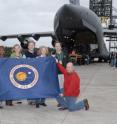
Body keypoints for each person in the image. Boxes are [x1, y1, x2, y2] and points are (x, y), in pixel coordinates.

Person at [24, 40, 37, 105]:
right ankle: (29, 100)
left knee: (34, 86)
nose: (31, 46)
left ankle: (34, 99)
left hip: (35, 73)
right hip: (27, 73)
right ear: (28, 46)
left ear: (34, 46)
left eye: (32, 45)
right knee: (29, 86)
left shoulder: (36, 53)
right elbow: (22, 62)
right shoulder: (25, 54)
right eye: (30, 45)